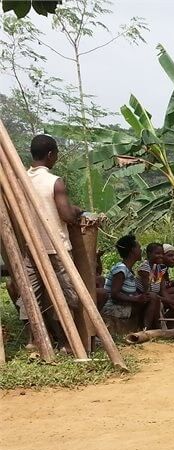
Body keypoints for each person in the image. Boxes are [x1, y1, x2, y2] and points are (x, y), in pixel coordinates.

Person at [21, 134, 83, 350]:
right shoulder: (54, 182)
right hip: (57, 248)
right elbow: (66, 215)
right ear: (50, 155)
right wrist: (76, 211)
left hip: (32, 247)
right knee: (67, 294)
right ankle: (67, 342)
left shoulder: (19, 180)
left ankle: (34, 340)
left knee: (32, 294)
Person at [102, 234, 160, 329]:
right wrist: (136, 299)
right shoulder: (121, 269)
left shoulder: (128, 270)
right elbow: (114, 294)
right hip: (112, 308)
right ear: (133, 250)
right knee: (152, 297)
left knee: (152, 297)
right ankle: (146, 329)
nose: (141, 250)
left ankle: (148, 328)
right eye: (139, 248)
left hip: (122, 305)